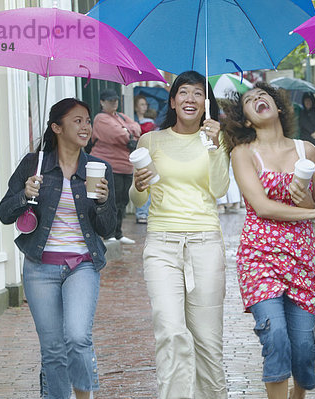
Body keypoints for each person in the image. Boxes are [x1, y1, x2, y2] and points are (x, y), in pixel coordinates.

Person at [0, 98, 116, 399]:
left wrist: (102, 202)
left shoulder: (99, 168)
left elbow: (108, 228)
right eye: (77, 120)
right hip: (40, 267)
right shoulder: (33, 164)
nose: (86, 126)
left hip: (83, 264)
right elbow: (4, 213)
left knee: (77, 337)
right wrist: (25, 194)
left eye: (88, 120)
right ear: (56, 127)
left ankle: (85, 396)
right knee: (52, 348)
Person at [223, 82, 315, 399]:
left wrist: (311, 205)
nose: (257, 99)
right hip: (259, 258)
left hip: (301, 259)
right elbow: (262, 206)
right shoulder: (243, 153)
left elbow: (313, 201)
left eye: (263, 95)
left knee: (304, 348)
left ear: (279, 107)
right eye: (248, 100)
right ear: (244, 119)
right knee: (276, 337)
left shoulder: (306, 151)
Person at [129, 71, 230, 399]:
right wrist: (139, 186)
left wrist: (215, 147)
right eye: (183, 93)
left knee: (207, 340)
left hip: (205, 243)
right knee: (170, 333)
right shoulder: (151, 141)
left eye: (198, 93)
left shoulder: (217, 139)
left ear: (206, 103)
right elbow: (137, 200)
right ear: (172, 101)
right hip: (162, 245)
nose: (190, 98)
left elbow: (219, 188)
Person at [90, 88, 141, 244]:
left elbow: (137, 128)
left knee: (122, 201)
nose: (114, 103)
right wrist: (128, 131)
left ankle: (118, 232)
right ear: (102, 102)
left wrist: (127, 130)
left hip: (126, 165)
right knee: (110, 201)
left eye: (116, 100)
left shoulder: (121, 116)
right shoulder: (101, 118)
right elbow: (118, 135)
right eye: (110, 101)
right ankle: (109, 233)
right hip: (110, 166)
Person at [133, 95, 158, 224]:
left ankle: (144, 212)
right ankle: (140, 212)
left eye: (145, 104)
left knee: (148, 181)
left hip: (146, 155)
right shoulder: (130, 119)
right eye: (141, 104)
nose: (144, 107)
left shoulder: (150, 121)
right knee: (139, 183)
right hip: (133, 155)